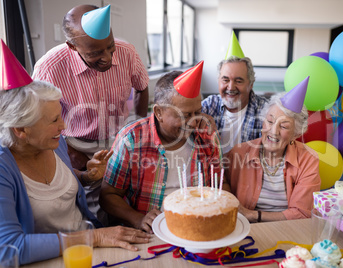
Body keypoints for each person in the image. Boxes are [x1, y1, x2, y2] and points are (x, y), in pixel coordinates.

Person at [0, 80, 151, 265]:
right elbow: (8, 248)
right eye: (54, 120)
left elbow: (54, 184)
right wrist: (94, 237)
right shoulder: (3, 168)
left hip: (87, 249)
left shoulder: (54, 142)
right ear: (21, 130)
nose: (63, 126)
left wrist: (86, 176)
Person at [32, 4, 149, 224]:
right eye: (95, 53)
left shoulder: (127, 52)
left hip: (119, 137)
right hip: (76, 143)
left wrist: (138, 127)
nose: (107, 58)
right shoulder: (49, 68)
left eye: (110, 47)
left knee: (125, 195)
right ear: (72, 46)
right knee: (90, 206)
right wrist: (67, 149)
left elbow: (142, 86)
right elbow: (40, 118)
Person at [100, 63, 223, 233]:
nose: (194, 122)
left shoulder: (206, 136)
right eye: (185, 115)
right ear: (158, 112)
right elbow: (108, 196)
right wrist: (138, 219)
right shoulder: (132, 139)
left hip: (197, 229)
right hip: (148, 234)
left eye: (198, 112)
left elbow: (218, 188)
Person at [224, 82, 321, 223]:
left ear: (295, 134)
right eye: (270, 121)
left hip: (287, 229)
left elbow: (302, 213)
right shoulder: (238, 153)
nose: (273, 131)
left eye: (283, 126)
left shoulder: (308, 159)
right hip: (243, 227)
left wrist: (253, 215)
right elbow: (220, 183)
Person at [201, 56, 268, 154]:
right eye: (225, 80)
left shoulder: (265, 110)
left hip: (248, 168)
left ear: (251, 84)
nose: (231, 87)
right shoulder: (208, 105)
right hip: (214, 168)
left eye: (238, 81)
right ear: (218, 81)